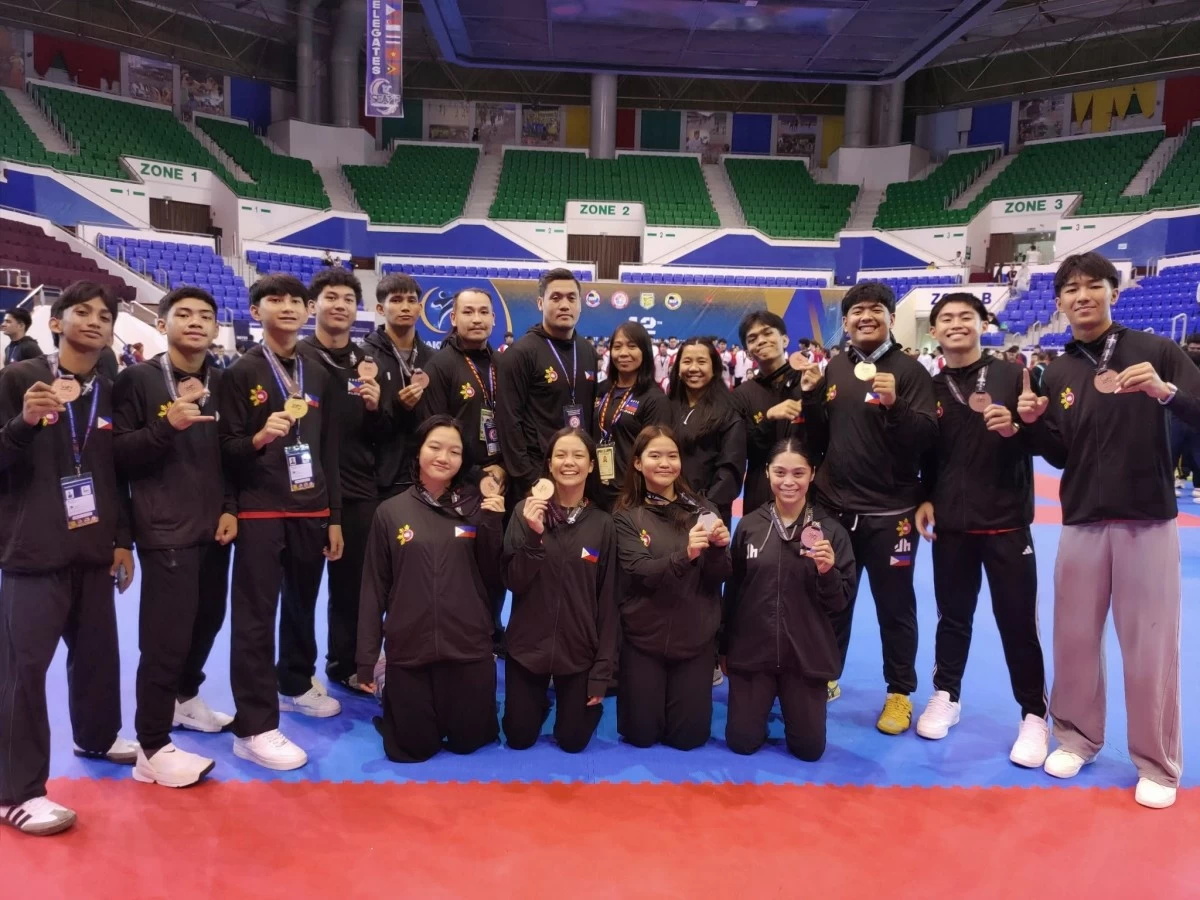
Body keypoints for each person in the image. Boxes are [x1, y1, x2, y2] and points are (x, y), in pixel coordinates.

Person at [1018, 252, 1200, 809]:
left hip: (1147, 515)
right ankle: (1076, 736)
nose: (1081, 296)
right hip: (1080, 518)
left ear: (1112, 292)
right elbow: (1061, 451)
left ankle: (1157, 762)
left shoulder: (1158, 350)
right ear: (1059, 303)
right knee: (1072, 636)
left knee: (1149, 643)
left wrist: (1166, 394)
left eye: (1092, 285)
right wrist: (1029, 426)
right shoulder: (1060, 368)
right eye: (1069, 289)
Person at [0, 281, 137, 836]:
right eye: (81, 312)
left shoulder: (110, 389)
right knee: (24, 673)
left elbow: (116, 474)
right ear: (55, 322)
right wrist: (23, 424)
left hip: (93, 548)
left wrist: (122, 539)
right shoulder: (17, 380)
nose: (95, 322)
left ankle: (97, 736)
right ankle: (15, 793)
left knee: (99, 655)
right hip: (33, 550)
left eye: (104, 316)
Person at [913, 292, 1049, 766]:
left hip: (1007, 522)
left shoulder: (1014, 376)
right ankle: (946, 694)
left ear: (981, 322)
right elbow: (927, 455)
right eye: (946, 318)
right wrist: (925, 496)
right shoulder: (929, 389)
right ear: (934, 331)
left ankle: (1034, 714)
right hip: (951, 524)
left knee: (1016, 622)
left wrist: (1019, 427)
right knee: (953, 617)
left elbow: (1047, 442)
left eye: (964, 316)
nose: (955, 324)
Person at [218, 274, 344, 772]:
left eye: (296, 300)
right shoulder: (239, 372)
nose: (288, 307)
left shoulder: (320, 371)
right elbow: (223, 451)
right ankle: (252, 726)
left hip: (311, 507)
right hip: (260, 508)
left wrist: (333, 514)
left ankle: (293, 682)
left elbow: (329, 448)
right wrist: (257, 439)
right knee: (253, 619)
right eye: (276, 299)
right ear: (256, 311)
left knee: (301, 605)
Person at [112, 286, 236, 788]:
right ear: (162, 324)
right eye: (183, 314)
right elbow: (118, 455)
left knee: (207, 622)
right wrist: (166, 425)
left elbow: (228, 453)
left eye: (205, 316)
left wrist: (230, 506)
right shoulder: (138, 380)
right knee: (164, 641)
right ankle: (152, 745)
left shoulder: (223, 381)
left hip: (215, 527)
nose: (195, 322)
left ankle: (186, 700)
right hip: (164, 530)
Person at [807, 281, 937, 726]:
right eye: (857, 311)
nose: (866, 317)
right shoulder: (834, 368)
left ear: (889, 318)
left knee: (895, 606)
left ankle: (899, 692)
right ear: (844, 322)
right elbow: (819, 437)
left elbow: (927, 439)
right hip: (835, 509)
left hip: (891, 513)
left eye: (875, 310)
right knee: (831, 598)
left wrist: (894, 405)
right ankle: (825, 674)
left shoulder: (911, 371)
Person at [358, 415, 505, 762]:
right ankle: (385, 678)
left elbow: (495, 575)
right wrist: (365, 658)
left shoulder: (477, 507)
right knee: (412, 749)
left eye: (454, 451)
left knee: (467, 742)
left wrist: (493, 523)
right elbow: (373, 588)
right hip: (411, 648)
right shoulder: (390, 512)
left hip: (467, 645)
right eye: (435, 447)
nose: (443, 457)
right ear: (419, 451)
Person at [722, 438, 855, 760]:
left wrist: (827, 572)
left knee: (809, 750)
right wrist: (723, 649)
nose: (788, 482)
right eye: (780, 472)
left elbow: (841, 604)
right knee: (741, 743)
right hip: (754, 655)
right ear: (767, 473)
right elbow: (734, 593)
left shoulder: (831, 532)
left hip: (805, 657)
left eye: (798, 473)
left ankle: (794, 706)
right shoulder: (750, 527)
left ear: (812, 474)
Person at [613, 426, 731, 749]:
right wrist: (685, 555)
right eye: (655, 455)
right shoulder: (626, 517)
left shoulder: (703, 511)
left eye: (672, 455)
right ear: (638, 463)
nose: (664, 463)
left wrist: (719, 549)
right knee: (640, 736)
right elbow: (640, 571)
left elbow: (718, 577)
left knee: (689, 739)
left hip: (693, 639)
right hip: (643, 638)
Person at [502, 428, 617, 752]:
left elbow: (608, 602)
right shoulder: (525, 513)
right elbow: (513, 581)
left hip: (578, 652)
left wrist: (602, 672)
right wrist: (535, 536)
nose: (570, 462)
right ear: (549, 464)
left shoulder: (603, 524)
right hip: (528, 648)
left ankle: (577, 706)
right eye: (561, 455)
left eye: (578, 455)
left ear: (592, 466)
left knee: (573, 741)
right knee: (518, 738)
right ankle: (537, 703)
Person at [298, 269, 385, 696]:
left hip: (355, 489)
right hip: (302, 492)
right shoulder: (294, 358)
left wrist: (376, 408)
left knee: (353, 586)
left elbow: (382, 432)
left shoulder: (365, 362)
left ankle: (345, 662)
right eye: (331, 297)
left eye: (349, 299)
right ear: (313, 306)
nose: (340, 305)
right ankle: (296, 676)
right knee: (300, 588)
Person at [418, 287, 508, 651]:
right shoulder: (440, 366)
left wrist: (503, 468)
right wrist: (475, 472)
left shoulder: (504, 364)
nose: (476, 319)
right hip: (463, 481)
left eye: (484, 312)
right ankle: (465, 629)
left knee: (495, 557)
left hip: (502, 477)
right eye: (468, 312)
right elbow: (435, 429)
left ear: (493, 319)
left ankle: (492, 625)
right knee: (463, 562)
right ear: (453, 318)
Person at [497, 268, 598, 499]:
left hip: (578, 475)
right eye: (556, 297)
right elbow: (509, 422)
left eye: (571, 298)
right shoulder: (520, 353)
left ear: (580, 305)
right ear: (541, 303)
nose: (565, 305)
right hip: (537, 477)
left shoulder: (586, 351)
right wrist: (528, 479)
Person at [733, 311, 823, 517]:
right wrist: (768, 418)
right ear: (748, 352)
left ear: (784, 339)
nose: (761, 341)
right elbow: (742, 449)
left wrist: (812, 396)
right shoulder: (742, 395)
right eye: (753, 339)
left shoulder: (811, 381)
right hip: (761, 490)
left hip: (808, 489)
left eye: (767, 333)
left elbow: (823, 436)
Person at [363, 273, 434, 500]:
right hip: (380, 479)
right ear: (380, 309)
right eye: (396, 300)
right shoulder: (364, 358)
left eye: (411, 301)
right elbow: (358, 425)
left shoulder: (433, 359)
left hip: (425, 475)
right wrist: (398, 406)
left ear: (420, 308)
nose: (405, 307)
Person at [592, 321, 671, 511]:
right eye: (617, 347)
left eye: (632, 346)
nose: (623, 353)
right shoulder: (602, 390)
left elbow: (655, 452)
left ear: (644, 351)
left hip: (630, 494)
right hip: (595, 487)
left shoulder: (654, 398)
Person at [667, 337, 746, 525]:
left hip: (708, 514)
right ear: (678, 368)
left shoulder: (728, 411)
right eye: (687, 361)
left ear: (714, 369)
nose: (694, 368)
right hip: (666, 509)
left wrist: (705, 507)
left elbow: (730, 469)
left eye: (701, 361)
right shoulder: (667, 406)